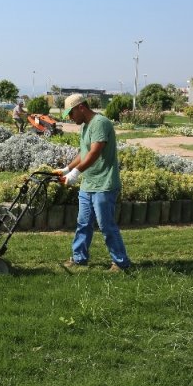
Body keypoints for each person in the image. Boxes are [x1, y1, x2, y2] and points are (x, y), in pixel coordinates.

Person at [56, 94, 131, 272]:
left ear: (81, 107)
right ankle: (79, 258)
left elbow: (95, 152)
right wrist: (66, 169)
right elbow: (84, 153)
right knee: (83, 224)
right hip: (88, 184)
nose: (70, 117)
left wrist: (75, 173)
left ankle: (121, 263)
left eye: (71, 113)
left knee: (106, 226)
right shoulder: (85, 126)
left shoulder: (100, 123)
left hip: (104, 184)